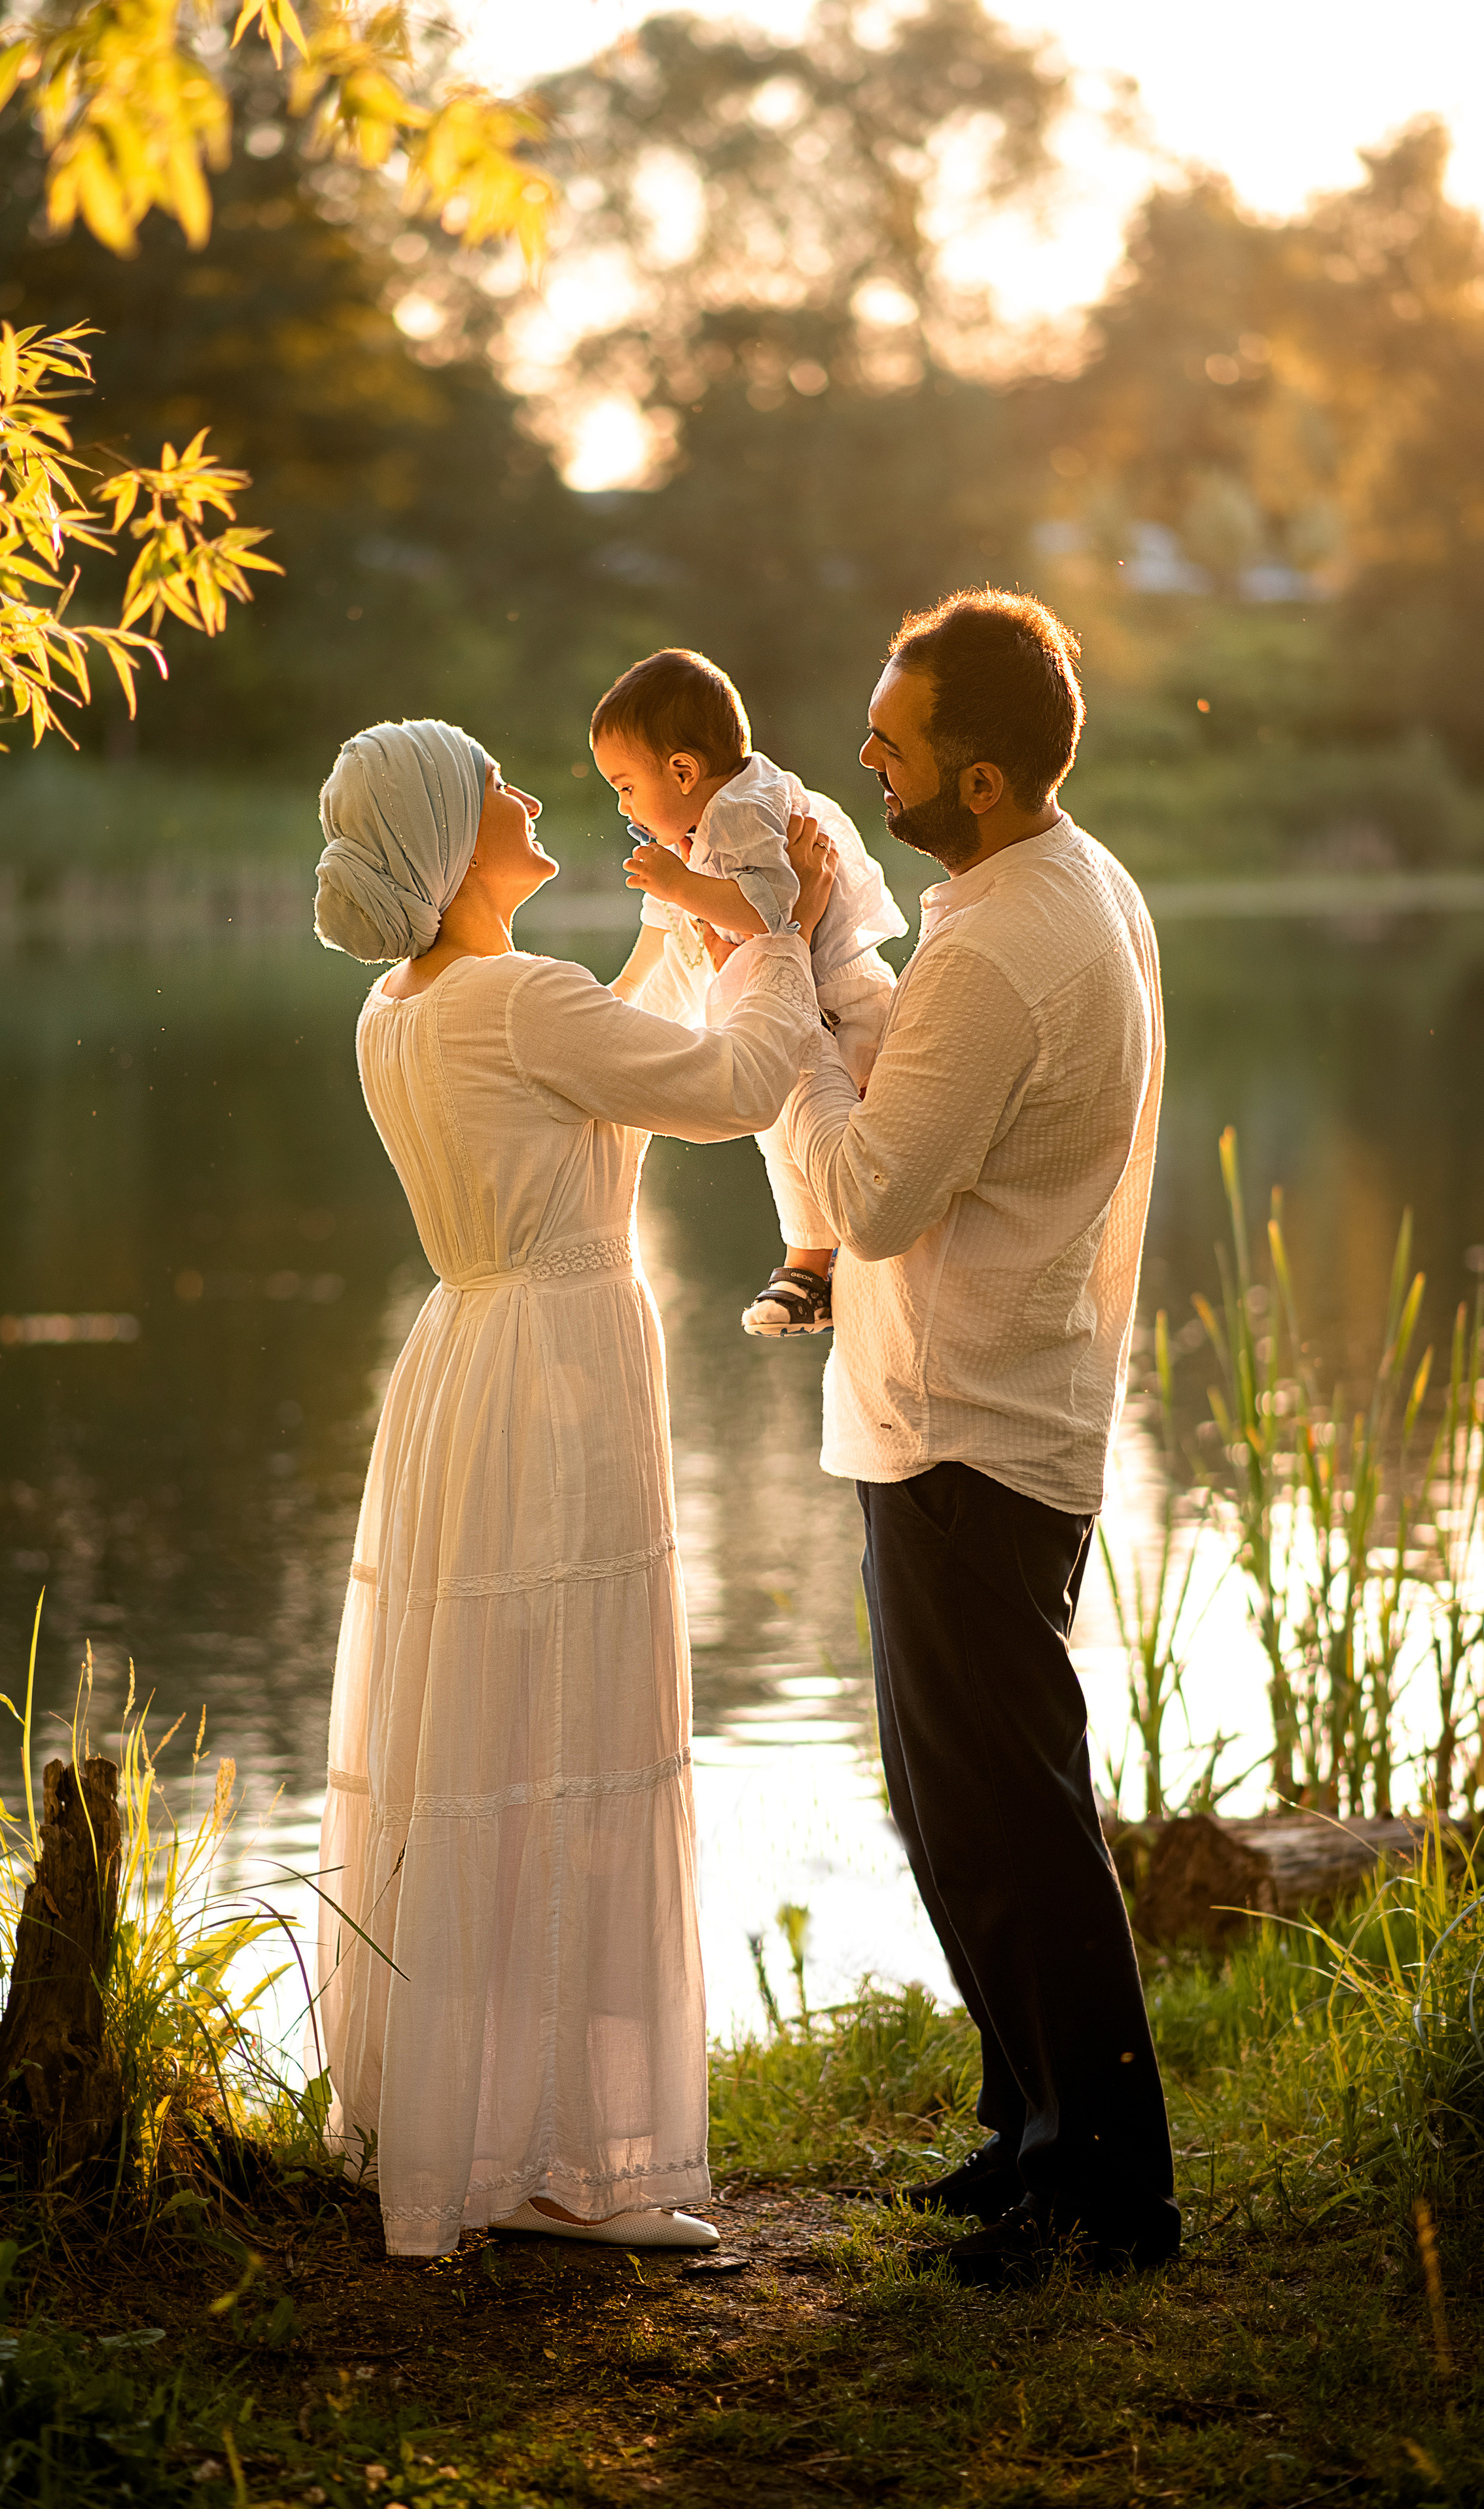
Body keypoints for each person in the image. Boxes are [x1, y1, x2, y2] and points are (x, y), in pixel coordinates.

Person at [310, 717, 834, 2261]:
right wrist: (778, 929)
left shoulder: (407, 1008)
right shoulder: (516, 1001)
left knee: (481, 1723)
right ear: (448, 843)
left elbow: (606, 1048)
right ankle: (551, 2163)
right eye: (497, 791)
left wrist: (688, 918)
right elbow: (735, 1083)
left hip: (468, 1359)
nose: (531, 798)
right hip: (552, 1372)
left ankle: (466, 2121)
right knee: (560, 1730)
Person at [777, 591, 1178, 2288]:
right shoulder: (1057, 886)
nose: (871, 756)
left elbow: (871, 1194)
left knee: (1009, 1816)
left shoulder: (1004, 941)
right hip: (991, 1405)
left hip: (967, 1428)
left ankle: (1105, 2192)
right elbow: (934, 1090)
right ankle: (1034, 2134)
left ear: (989, 777)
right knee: (963, 1804)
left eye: (898, 741)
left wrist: (781, 1013)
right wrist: (834, 966)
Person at [592, 647, 906, 1339]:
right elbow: (664, 928)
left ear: (682, 771)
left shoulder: (742, 808)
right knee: (783, 1128)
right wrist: (623, 992)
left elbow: (771, 909)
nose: (623, 807)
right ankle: (810, 1269)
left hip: (844, 1001)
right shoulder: (696, 825)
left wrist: (678, 884)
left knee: (832, 1136)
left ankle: (818, 1267)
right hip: (802, 1004)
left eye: (623, 786)